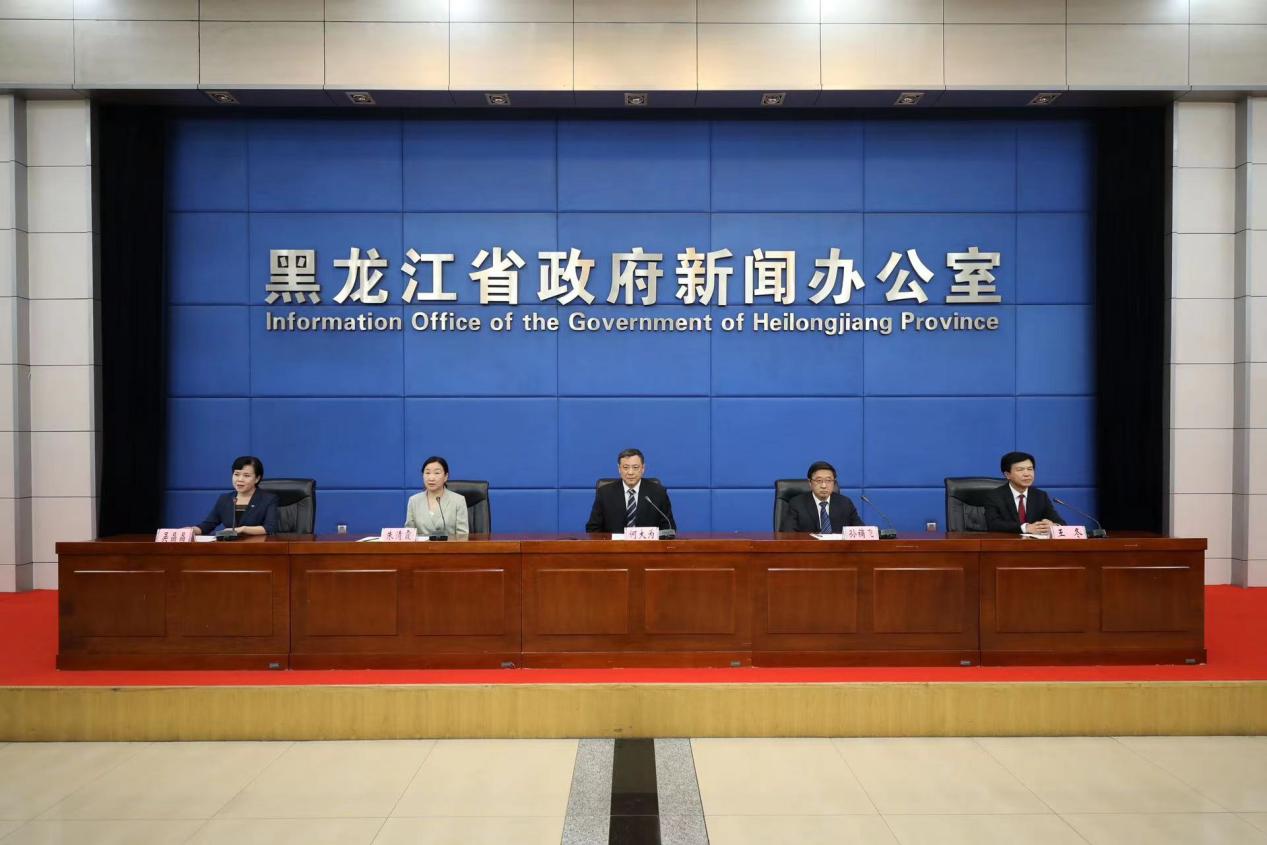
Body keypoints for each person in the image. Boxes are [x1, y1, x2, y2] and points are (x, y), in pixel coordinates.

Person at [586, 447, 676, 533]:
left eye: (635, 467)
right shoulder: (605, 493)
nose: (630, 472)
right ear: (619, 469)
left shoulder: (658, 493)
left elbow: (669, 528)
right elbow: (593, 529)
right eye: (625, 467)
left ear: (643, 468)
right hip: (614, 543)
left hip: (647, 543)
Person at [191, 455, 279, 536]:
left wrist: (242, 529)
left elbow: (270, 528)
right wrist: (191, 530)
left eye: (246, 475)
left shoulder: (268, 499)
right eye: (236, 474)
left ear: (257, 478)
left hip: (258, 546)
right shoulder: (225, 499)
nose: (240, 479)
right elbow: (207, 525)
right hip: (230, 546)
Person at [983, 450, 1065, 536]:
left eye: (1030, 469)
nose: (1027, 474)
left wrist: (1053, 526)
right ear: (1007, 475)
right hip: (1006, 543)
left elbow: (1060, 522)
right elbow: (993, 524)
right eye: (1020, 470)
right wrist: (1025, 528)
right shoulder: (994, 496)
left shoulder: (1040, 496)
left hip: (1034, 543)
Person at [782, 460, 862, 533]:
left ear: (834, 483)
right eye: (819, 480)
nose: (824, 486)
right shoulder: (797, 504)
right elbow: (788, 535)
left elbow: (861, 532)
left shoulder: (845, 503)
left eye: (828, 480)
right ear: (810, 483)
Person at [405, 456, 469, 536]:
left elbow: (463, 536)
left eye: (437, 473)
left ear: (445, 476)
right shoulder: (414, 501)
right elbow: (409, 534)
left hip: (450, 544)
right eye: (427, 473)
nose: (431, 478)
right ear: (422, 475)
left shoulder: (458, 501)